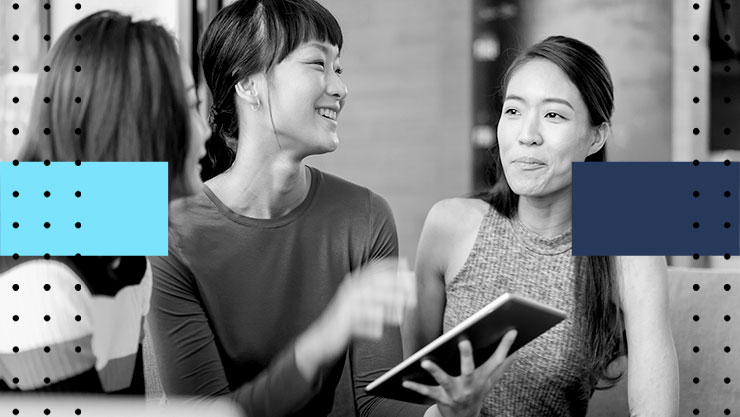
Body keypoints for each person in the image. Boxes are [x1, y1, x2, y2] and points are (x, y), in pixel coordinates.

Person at [147, 1, 515, 416]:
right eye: (317, 64)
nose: (340, 88)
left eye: (338, 68)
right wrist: (327, 335)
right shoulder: (167, 229)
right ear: (248, 84)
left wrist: (444, 413)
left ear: (597, 136)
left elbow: (377, 400)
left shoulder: (366, 215)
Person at [405, 35, 679, 416]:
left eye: (554, 115)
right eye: (513, 111)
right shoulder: (449, 224)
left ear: (596, 136)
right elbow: (414, 392)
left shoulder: (626, 235)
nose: (527, 135)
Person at [0, 11, 210, 394]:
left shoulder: (124, 249)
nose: (206, 131)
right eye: (193, 106)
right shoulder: (37, 275)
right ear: (141, 123)